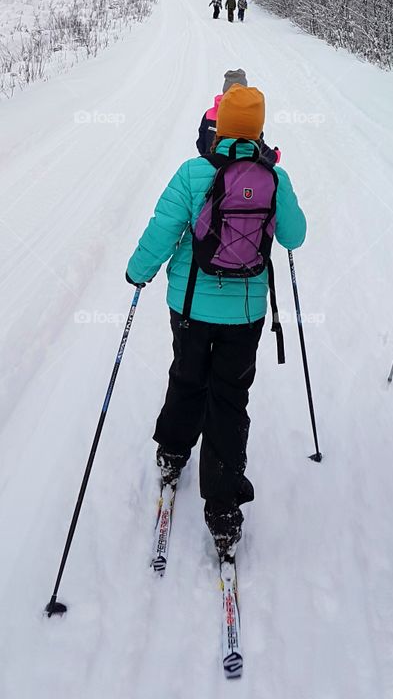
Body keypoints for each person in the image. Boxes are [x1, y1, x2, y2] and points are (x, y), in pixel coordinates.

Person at [126, 85, 306, 558]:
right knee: (229, 399)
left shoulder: (191, 173)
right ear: (259, 129)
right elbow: (296, 236)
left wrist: (138, 272)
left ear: (219, 126)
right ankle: (224, 509)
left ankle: (171, 454)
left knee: (187, 378)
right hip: (245, 316)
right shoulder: (273, 176)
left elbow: (162, 231)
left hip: (188, 308)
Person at [197, 69, 247, 156]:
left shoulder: (209, 114)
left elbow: (201, 143)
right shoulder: (249, 115)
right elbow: (258, 146)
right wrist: (274, 155)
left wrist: (209, 158)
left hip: (211, 166)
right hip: (239, 167)